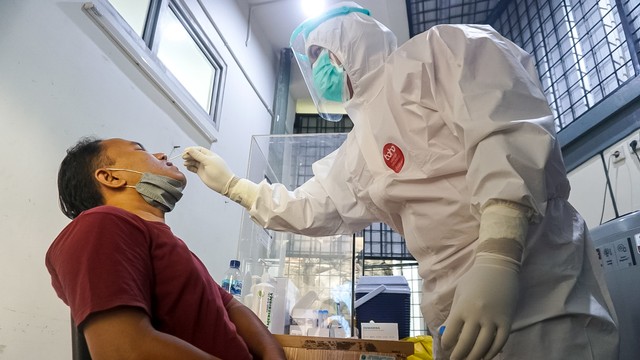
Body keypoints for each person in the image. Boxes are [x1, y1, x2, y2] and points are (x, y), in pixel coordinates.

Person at [182, 2, 619, 359]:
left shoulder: (440, 51)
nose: (318, 69)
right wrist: (235, 186)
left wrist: (497, 257)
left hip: (539, 287)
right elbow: (309, 207)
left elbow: (506, 133)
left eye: (321, 54)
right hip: (452, 314)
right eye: (310, 61)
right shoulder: (357, 149)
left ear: (349, 41)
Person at [46, 137, 286, 360]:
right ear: (111, 177)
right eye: (141, 150)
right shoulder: (101, 223)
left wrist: (272, 353)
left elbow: (231, 306)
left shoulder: (168, 243)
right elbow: (123, 349)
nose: (161, 155)